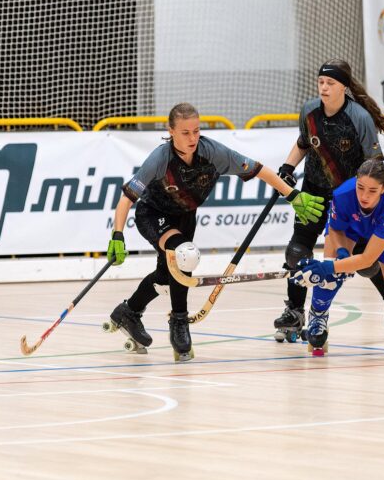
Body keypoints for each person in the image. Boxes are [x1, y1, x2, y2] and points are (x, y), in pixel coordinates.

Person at [106, 102, 324, 361]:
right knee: (184, 255)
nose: (192, 138)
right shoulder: (160, 158)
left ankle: (129, 311)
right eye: (185, 133)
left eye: (196, 131)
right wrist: (117, 235)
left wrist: (292, 195)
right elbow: (127, 199)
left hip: (185, 217)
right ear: (171, 132)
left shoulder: (213, 153)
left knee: (167, 276)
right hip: (153, 215)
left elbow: (258, 169)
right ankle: (179, 321)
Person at [273, 58, 384, 343]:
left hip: (349, 198)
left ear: (343, 87)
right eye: (321, 82)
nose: (324, 87)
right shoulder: (309, 111)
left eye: (330, 83)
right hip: (313, 192)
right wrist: (287, 167)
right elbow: (303, 143)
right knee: (297, 251)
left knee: (366, 261)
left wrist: (378, 195)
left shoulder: (359, 117)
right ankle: (295, 311)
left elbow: (375, 163)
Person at [292, 159, 384, 356]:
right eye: (360, 188)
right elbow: (335, 229)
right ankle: (318, 316)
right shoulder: (342, 194)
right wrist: (341, 253)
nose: (364, 196)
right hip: (350, 229)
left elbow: (367, 260)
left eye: (372, 191)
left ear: (383, 188)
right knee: (330, 276)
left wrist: (327, 267)